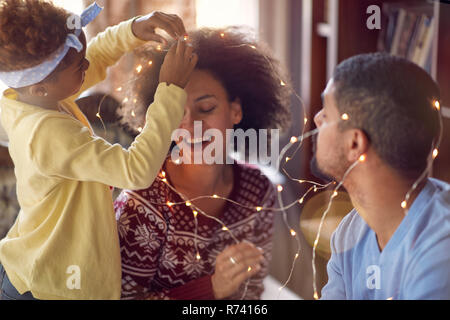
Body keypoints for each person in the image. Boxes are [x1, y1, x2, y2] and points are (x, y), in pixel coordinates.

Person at [0, 0, 197, 300]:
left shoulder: (28, 98)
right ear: (40, 86)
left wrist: (133, 30)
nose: (88, 65)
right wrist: (169, 90)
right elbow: (137, 170)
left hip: (32, 264)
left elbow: (94, 54)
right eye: (80, 66)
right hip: (48, 286)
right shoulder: (47, 134)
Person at [115, 26, 292, 300]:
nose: (192, 125)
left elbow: (252, 291)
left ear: (236, 111)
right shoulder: (143, 198)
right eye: (176, 112)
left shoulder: (259, 191)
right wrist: (211, 289)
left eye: (206, 108)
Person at [312, 52, 450, 300]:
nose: (316, 119)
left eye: (327, 114)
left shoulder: (441, 250)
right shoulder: (350, 233)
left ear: (355, 143)